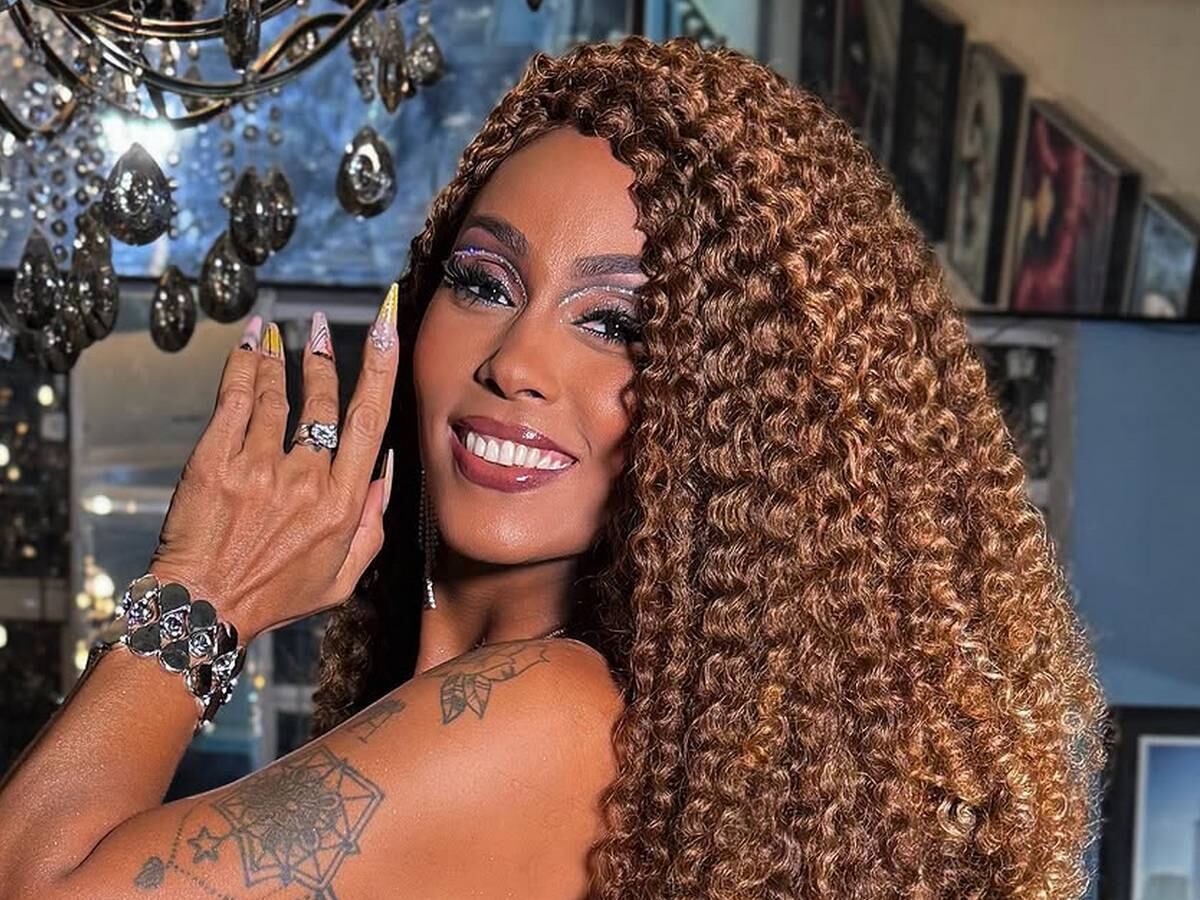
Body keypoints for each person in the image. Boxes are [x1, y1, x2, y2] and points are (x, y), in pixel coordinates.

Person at [0, 35, 1105, 898]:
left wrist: (204, 589)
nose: (517, 362)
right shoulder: (564, 732)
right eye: (484, 284)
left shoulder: (548, 718)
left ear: (739, 421)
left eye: (617, 324)